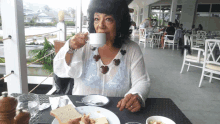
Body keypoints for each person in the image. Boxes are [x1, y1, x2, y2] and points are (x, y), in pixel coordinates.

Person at [54, 0, 150, 113]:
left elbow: (141, 81)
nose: (100, 25)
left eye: (108, 19)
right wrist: (70, 48)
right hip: (82, 111)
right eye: (96, 19)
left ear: (120, 22)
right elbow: (60, 69)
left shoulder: (131, 49)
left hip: (118, 111)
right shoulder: (82, 44)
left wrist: (136, 95)